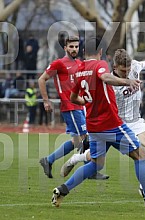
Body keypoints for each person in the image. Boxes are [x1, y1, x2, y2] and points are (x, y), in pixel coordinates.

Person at [51, 37, 145, 209]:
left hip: (93, 126)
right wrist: (127, 81)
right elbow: (106, 77)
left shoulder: (79, 69)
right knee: (141, 156)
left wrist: (87, 102)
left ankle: (62, 189)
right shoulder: (100, 65)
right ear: (101, 52)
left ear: (84, 52)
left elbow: (73, 97)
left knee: (95, 164)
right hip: (111, 124)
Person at [38, 36, 108, 180]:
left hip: (81, 106)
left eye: (76, 47)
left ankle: (48, 160)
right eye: (71, 47)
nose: (74, 49)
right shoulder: (59, 64)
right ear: (65, 48)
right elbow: (41, 79)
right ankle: (91, 170)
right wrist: (46, 101)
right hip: (70, 107)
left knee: (77, 141)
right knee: (85, 139)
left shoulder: (80, 64)